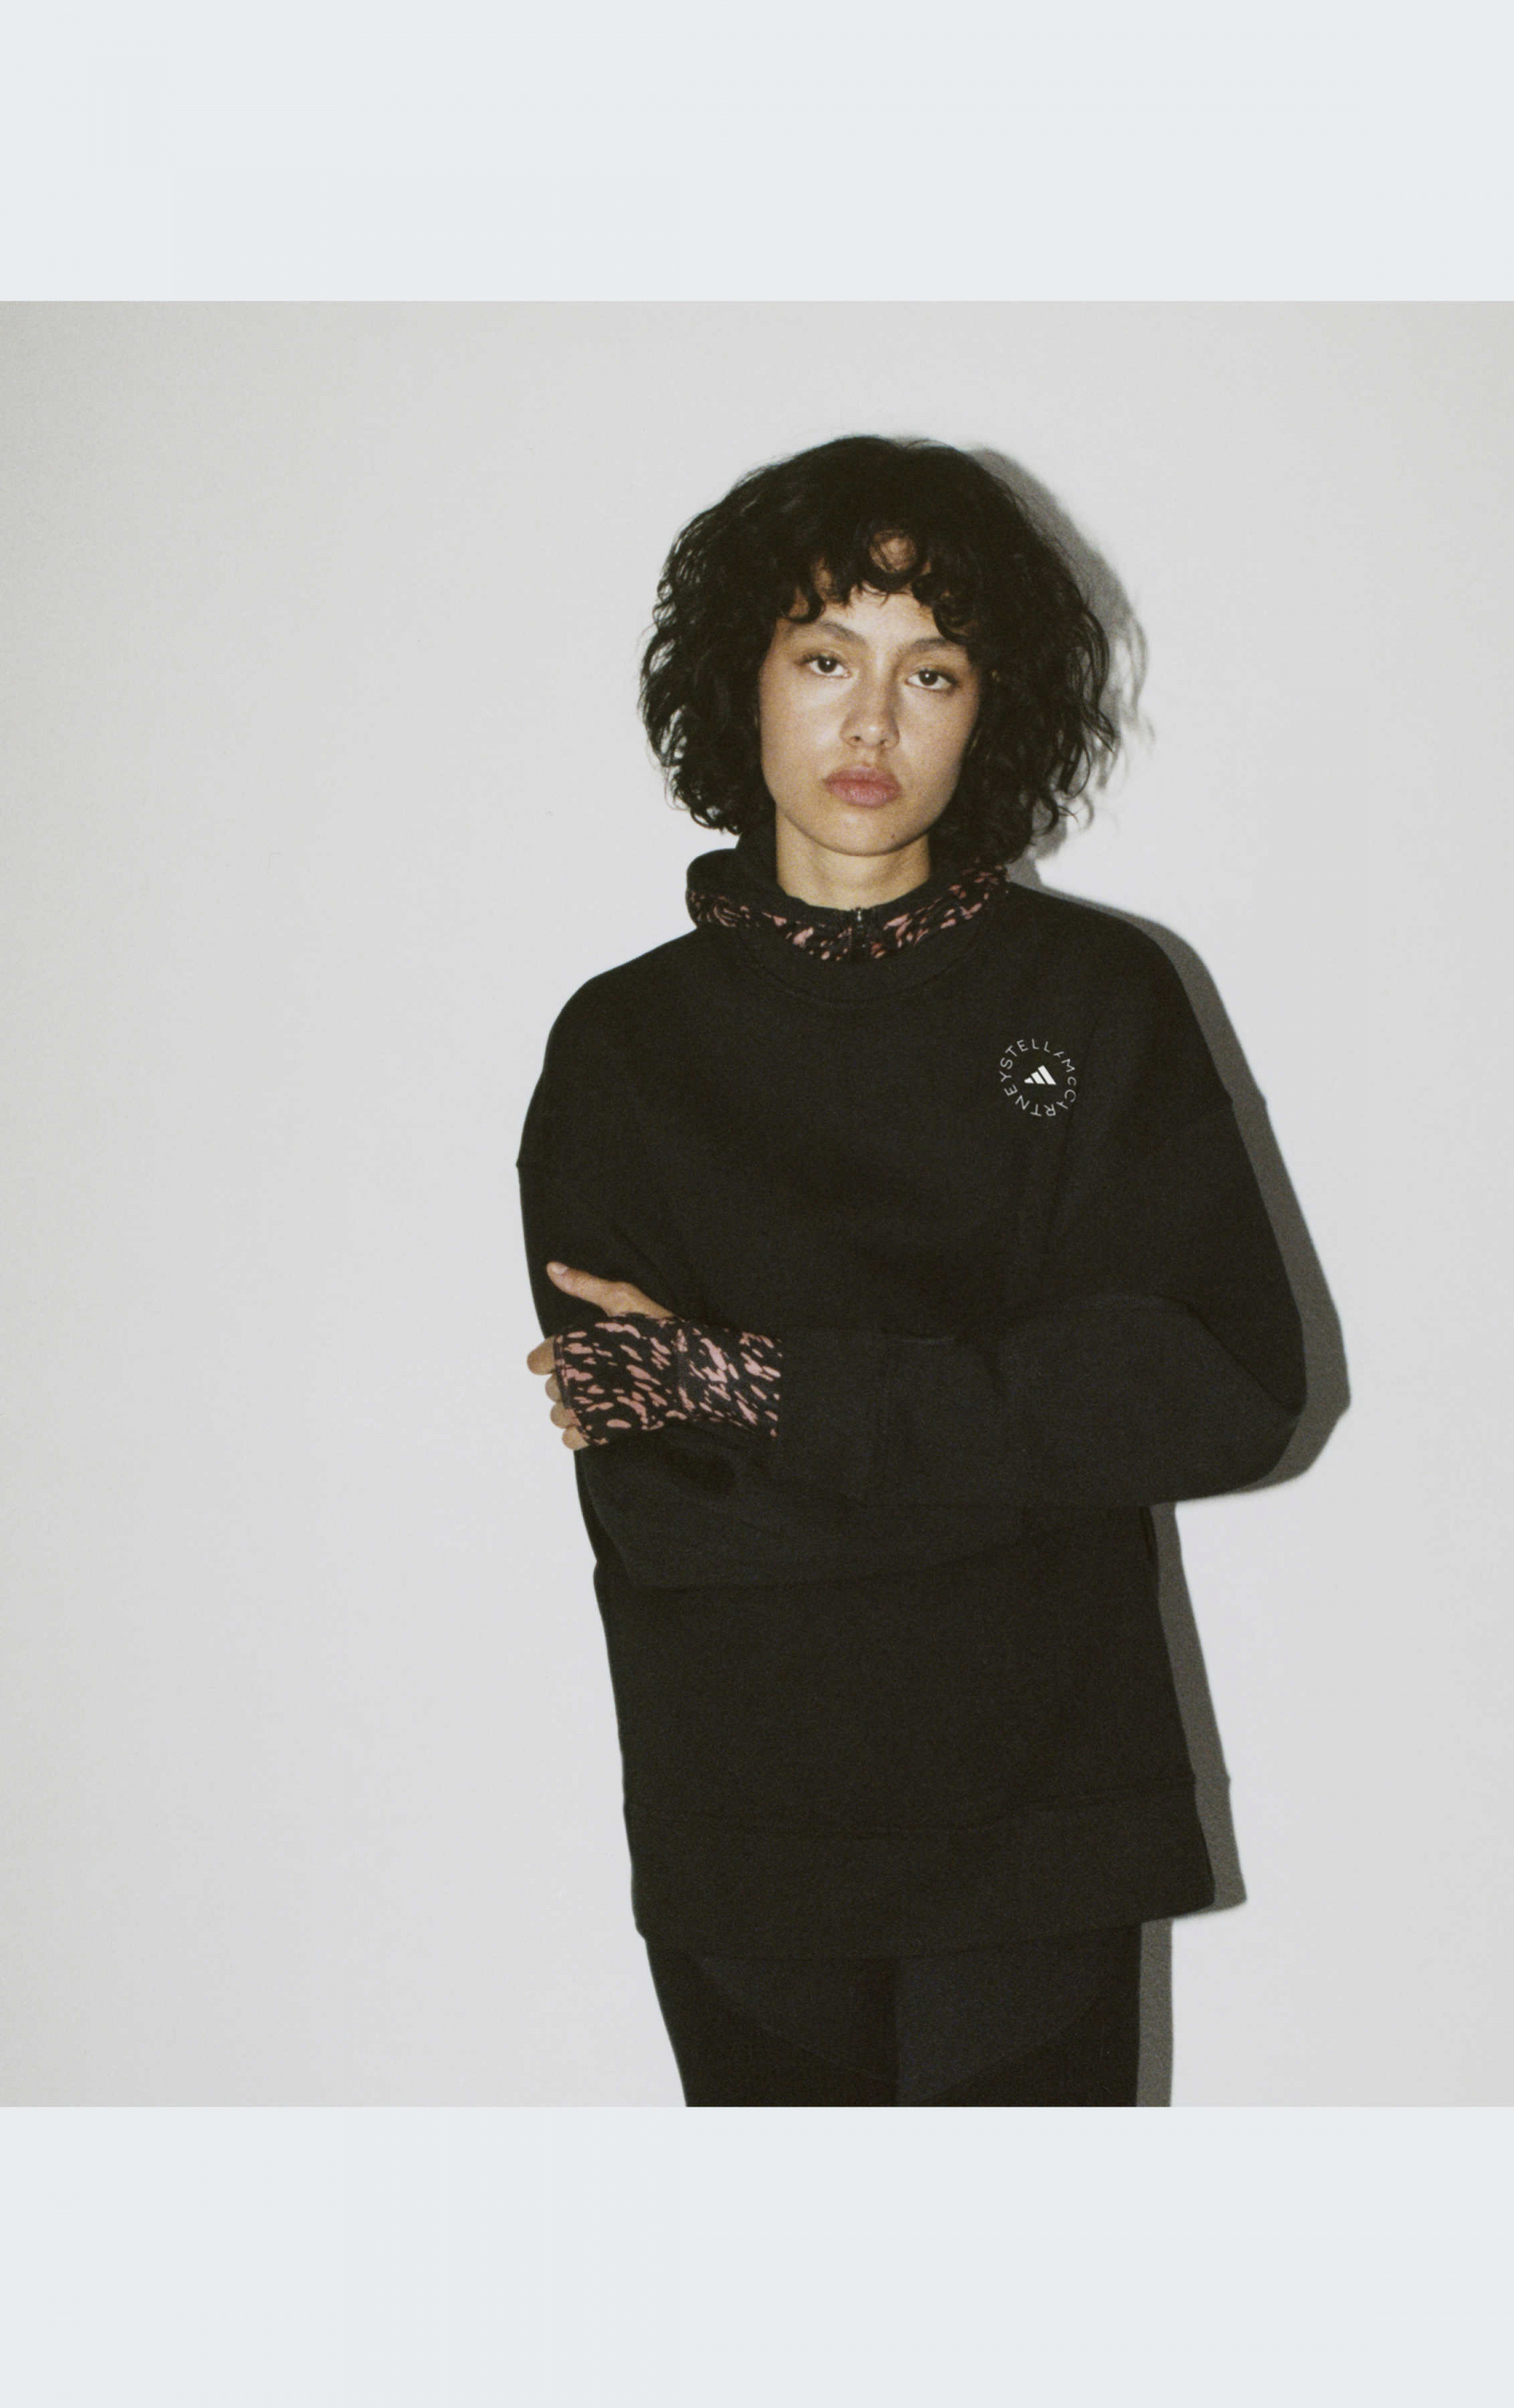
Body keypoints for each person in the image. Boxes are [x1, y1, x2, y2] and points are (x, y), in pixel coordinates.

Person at [517, 433, 1306, 2106]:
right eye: (824, 659)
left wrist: (746, 1382)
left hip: (1047, 1805)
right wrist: (1030, 1428)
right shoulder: (625, 1048)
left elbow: (1220, 1394)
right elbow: (667, 1507)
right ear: (741, 681)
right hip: (746, 1813)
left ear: (988, 709)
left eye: (929, 672)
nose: (871, 724)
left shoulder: (1099, 999)